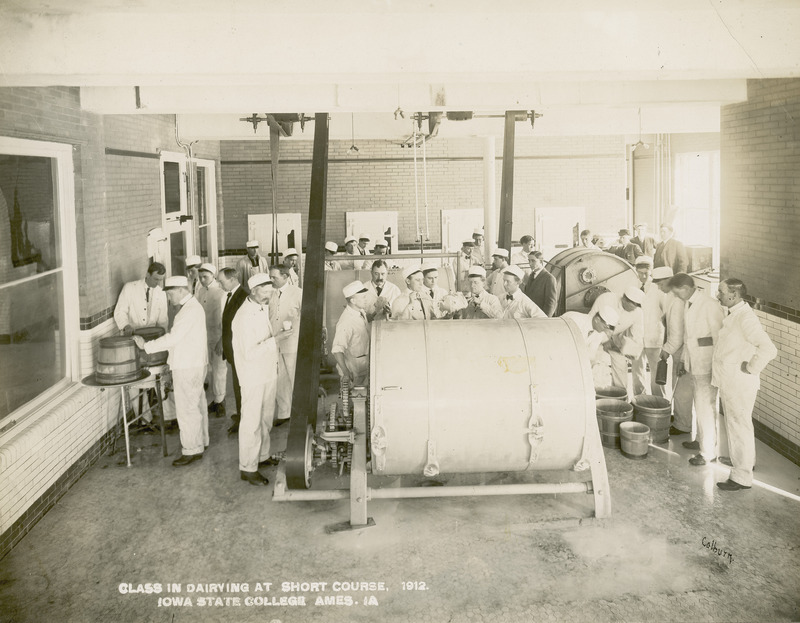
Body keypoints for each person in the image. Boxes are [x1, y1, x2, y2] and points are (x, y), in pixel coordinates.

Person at [133, 276, 208, 467]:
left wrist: (146, 346)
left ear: (182, 289)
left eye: (170, 292)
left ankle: (192, 450)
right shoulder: (192, 307)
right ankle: (201, 442)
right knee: (196, 405)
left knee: (186, 409)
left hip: (187, 366)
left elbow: (173, 338)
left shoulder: (189, 311)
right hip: (194, 363)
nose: (168, 297)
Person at [713, 278, 777, 491]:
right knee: (738, 426)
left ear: (734, 295)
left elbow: (768, 349)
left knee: (739, 426)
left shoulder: (746, 318)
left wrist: (750, 368)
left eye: (721, 291)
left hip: (739, 383)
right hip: (732, 381)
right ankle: (743, 462)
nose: (718, 294)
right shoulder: (734, 314)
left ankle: (741, 477)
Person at [670, 272, 724, 466]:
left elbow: (719, 336)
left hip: (706, 364)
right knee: (700, 406)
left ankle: (708, 453)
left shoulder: (709, 305)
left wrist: (712, 361)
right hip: (694, 363)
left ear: (686, 289)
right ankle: (701, 441)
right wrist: (684, 361)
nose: (676, 297)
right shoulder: (688, 303)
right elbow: (688, 338)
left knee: (706, 409)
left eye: (678, 293)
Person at [232, 273, 279, 486]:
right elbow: (248, 353)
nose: (269, 295)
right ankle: (248, 468)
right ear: (253, 290)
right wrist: (276, 340)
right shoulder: (243, 317)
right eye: (265, 291)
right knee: (251, 421)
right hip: (252, 376)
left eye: (271, 291)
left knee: (266, 417)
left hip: (267, 372)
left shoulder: (261, 307)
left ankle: (262, 455)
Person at [652, 267, 693, 436]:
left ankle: (683, 425)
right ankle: (678, 418)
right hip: (679, 348)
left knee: (682, 389)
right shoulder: (672, 297)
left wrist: (665, 351)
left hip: (681, 350)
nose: (660, 288)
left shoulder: (677, 302)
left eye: (661, 284)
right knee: (677, 386)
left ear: (670, 281)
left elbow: (677, 335)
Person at [590, 286, 646, 395]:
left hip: (613, 341)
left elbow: (637, 335)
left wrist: (631, 350)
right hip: (594, 335)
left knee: (621, 367)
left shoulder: (638, 312)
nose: (634, 309)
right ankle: (594, 398)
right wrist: (603, 341)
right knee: (596, 367)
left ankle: (621, 397)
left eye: (637, 306)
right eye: (632, 305)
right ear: (624, 299)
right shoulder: (606, 299)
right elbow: (593, 321)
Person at [268, 264, 302, 427]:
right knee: (279, 378)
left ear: (285, 276)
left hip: (292, 342)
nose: (271, 280)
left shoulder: (298, 293)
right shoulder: (270, 293)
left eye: (274, 277)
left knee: (295, 377)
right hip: (275, 341)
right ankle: (284, 412)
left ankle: (300, 413)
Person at [217, 268, 247, 435]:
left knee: (240, 386)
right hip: (232, 350)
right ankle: (241, 413)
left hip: (239, 350)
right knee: (237, 386)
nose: (220, 285)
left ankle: (244, 419)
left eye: (222, 281)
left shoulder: (243, 297)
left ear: (233, 279)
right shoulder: (229, 296)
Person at [196, 263, 227, 418]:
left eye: (205, 277)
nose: (202, 280)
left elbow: (226, 320)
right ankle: (213, 400)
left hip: (217, 336)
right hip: (203, 335)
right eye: (200, 277)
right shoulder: (200, 291)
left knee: (219, 370)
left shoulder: (221, 293)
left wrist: (222, 340)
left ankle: (220, 401)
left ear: (213, 276)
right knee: (207, 369)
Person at [634, 256, 667, 397]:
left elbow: (667, 315)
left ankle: (659, 402)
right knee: (637, 372)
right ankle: (640, 401)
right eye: (639, 273)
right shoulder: (632, 287)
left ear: (651, 271)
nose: (642, 276)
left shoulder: (658, 289)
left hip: (654, 337)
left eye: (645, 273)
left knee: (656, 373)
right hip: (637, 337)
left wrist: (666, 340)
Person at [562, 306, 619, 386]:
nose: (605, 330)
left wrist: (597, 367)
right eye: (604, 327)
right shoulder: (573, 319)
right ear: (597, 320)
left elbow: (590, 354)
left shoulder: (599, 333)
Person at [331, 281, 371, 387]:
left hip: (363, 367)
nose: (366, 300)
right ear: (353, 300)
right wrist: (346, 372)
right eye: (363, 297)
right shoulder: (346, 321)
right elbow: (337, 350)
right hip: (354, 372)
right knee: (356, 401)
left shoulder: (360, 312)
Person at [113, 261, 168, 336]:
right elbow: (120, 311)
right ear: (148, 275)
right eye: (156, 279)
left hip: (152, 336)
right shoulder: (130, 288)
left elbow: (163, 320)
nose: (158, 283)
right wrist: (126, 326)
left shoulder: (161, 293)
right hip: (133, 335)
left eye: (160, 280)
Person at [523, 251, 557, 317]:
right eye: (529, 261)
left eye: (533, 261)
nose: (530, 263)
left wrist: (545, 319)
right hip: (530, 316)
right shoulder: (531, 276)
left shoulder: (549, 278)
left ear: (541, 261)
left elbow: (551, 303)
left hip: (541, 318)